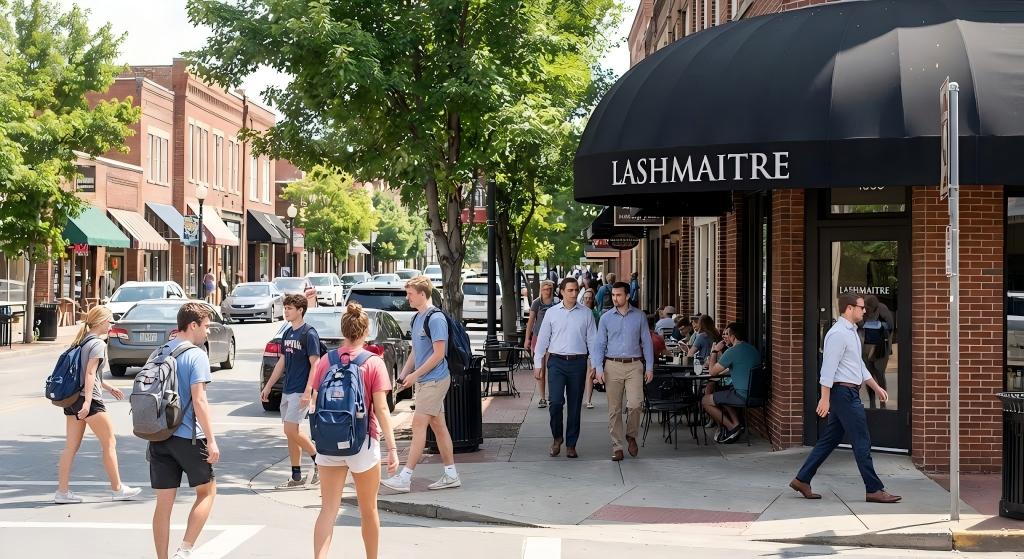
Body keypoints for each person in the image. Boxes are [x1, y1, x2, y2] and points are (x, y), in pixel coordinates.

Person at [790, 292, 901, 504]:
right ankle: (874, 489)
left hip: (849, 392)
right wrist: (825, 399)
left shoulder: (851, 332)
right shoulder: (838, 334)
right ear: (849, 308)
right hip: (843, 394)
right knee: (862, 441)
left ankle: (802, 479)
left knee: (829, 440)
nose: (865, 310)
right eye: (861, 307)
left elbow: (857, 364)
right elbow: (827, 369)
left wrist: (876, 386)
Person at [311, 303, 399, 559]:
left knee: (328, 509)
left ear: (343, 330)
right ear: (366, 331)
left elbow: (317, 400)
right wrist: (392, 448)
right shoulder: (373, 363)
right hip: (363, 442)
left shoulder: (327, 360)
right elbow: (382, 410)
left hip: (329, 439)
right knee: (368, 509)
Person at [150, 302, 220, 559]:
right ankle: (185, 549)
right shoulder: (196, 355)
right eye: (206, 327)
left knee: (163, 505)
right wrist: (211, 441)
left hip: (159, 436)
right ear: (193, 326)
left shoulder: (158, 351)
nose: (207, 333)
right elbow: (199, 400)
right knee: (207, 491)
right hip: (189, 437)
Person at [381, 276, 461, 492]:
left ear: (422, 294)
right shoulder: (418, 318)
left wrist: (414, 376)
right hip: (427, 380)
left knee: (418, 426)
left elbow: (438, 354)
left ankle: (405, 478)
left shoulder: (436, 319)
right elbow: (416, 351)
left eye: (410, 294)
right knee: (439, 427)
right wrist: (404, 376)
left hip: (435, 380)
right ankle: (451, 475)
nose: (407, 297)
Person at [54, 306, 141, 504]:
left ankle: (62, 491)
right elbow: (90, 374)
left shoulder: (82, 341)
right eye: (109, 321)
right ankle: (118, 489)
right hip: (89, 401)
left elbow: (88, 373)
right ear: (101, 322)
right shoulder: (98, 345)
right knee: (109, 442)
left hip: (73, 399)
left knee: (70, 447)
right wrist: (87, 403)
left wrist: (109, 387)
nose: (111, 325)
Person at [260, 294, 322, 489]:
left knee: (290, 429)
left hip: (300, 390)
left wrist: (308, 391)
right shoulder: (287, 333)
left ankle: (319, 461)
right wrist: (268, 386)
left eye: (289, 308)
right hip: (287, 389)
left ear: (300, 310)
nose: (286, 311)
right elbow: (282, 362)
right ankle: (296, 476)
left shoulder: (309, 333)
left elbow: (316, 364)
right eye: (285, 308)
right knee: (291, 434)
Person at [533, 277, 597, 459]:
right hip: (556, 362)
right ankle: (557, 437)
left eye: (576, 290)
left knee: (575, 406)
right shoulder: (552, 313)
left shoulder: (586, 313)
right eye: (570, 290)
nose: (574, 293)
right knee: (555, 403)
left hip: (578, 362)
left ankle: (571, 444)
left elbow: (593, 340)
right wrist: (538, 364)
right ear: (561, 292)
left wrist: (594, 364)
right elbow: (543, 340)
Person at [593, 282, 654, 461]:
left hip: (635, 365)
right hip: (612, 365)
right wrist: (598, 368)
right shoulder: (605, 318)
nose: (615, 298)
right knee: (614, 409)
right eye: (613, 295)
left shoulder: (640, 316)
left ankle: (631, 435)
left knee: (635, 404)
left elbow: (647, 343)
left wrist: (649, 367)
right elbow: (599, 344)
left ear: (627, 296)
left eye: (618, 295)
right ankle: (617, 446)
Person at [703, 323, 761, 444]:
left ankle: (731, 428)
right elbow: (735, 368)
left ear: (733, 336)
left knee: (705, 400)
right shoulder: (752, 349)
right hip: (756, 395)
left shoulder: (732, 351)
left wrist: (714, 351)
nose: (724, 337)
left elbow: (712, 372)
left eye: (726, 335)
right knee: (722, 393)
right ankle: (736, 424)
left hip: (742, 396)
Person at [524, 280, 560, 408]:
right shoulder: (536, 303)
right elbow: (531, 322)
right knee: (540, 368)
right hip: (538, 337)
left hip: (553, 338)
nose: (547, 291)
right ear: (541, 290)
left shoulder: (557, 302)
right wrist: (527, 339)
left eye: (550, 288)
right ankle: (542, 397)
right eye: (545, 289)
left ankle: (552, 395)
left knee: (553, 368)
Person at [861, 294, 895, 409]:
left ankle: (883, 403)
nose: (866, 310)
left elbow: (890, 327)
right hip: (866, 348)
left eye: (868, 308)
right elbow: (859, 324)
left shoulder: (882, 309)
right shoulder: (863, 311)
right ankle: (871, 403)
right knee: (869, 376)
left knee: (880, 374)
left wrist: (877, 326)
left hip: (880, 349)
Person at [580, 288, 601, 409]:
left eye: (590, 298)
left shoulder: (596, 314)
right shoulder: (579, 312)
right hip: (579, 347)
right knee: (580, 375)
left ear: (593, 300)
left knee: (590, 374)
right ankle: (579, 398)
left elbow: (598, 333)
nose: (588, 300)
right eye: (586, 298)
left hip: (591, 347)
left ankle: (588, 400)